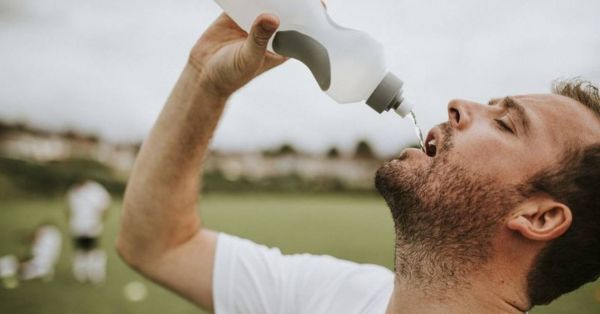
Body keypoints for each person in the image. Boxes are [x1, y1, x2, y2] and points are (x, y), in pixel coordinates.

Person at [117, 9, 600, 314]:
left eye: (505, 124)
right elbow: (156, 243)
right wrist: (207, 79)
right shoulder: (335, 295)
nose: (458, 104)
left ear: (539, 216)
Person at [67, 180, 111, 284]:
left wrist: (98, 222)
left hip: (92, 226)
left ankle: (95, 274)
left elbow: (105, 208)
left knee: (93, 250)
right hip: (77, 226)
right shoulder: (73, 190)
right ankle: (80, 273)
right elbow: (68, 208)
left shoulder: (97, 190)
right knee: (79, 250)